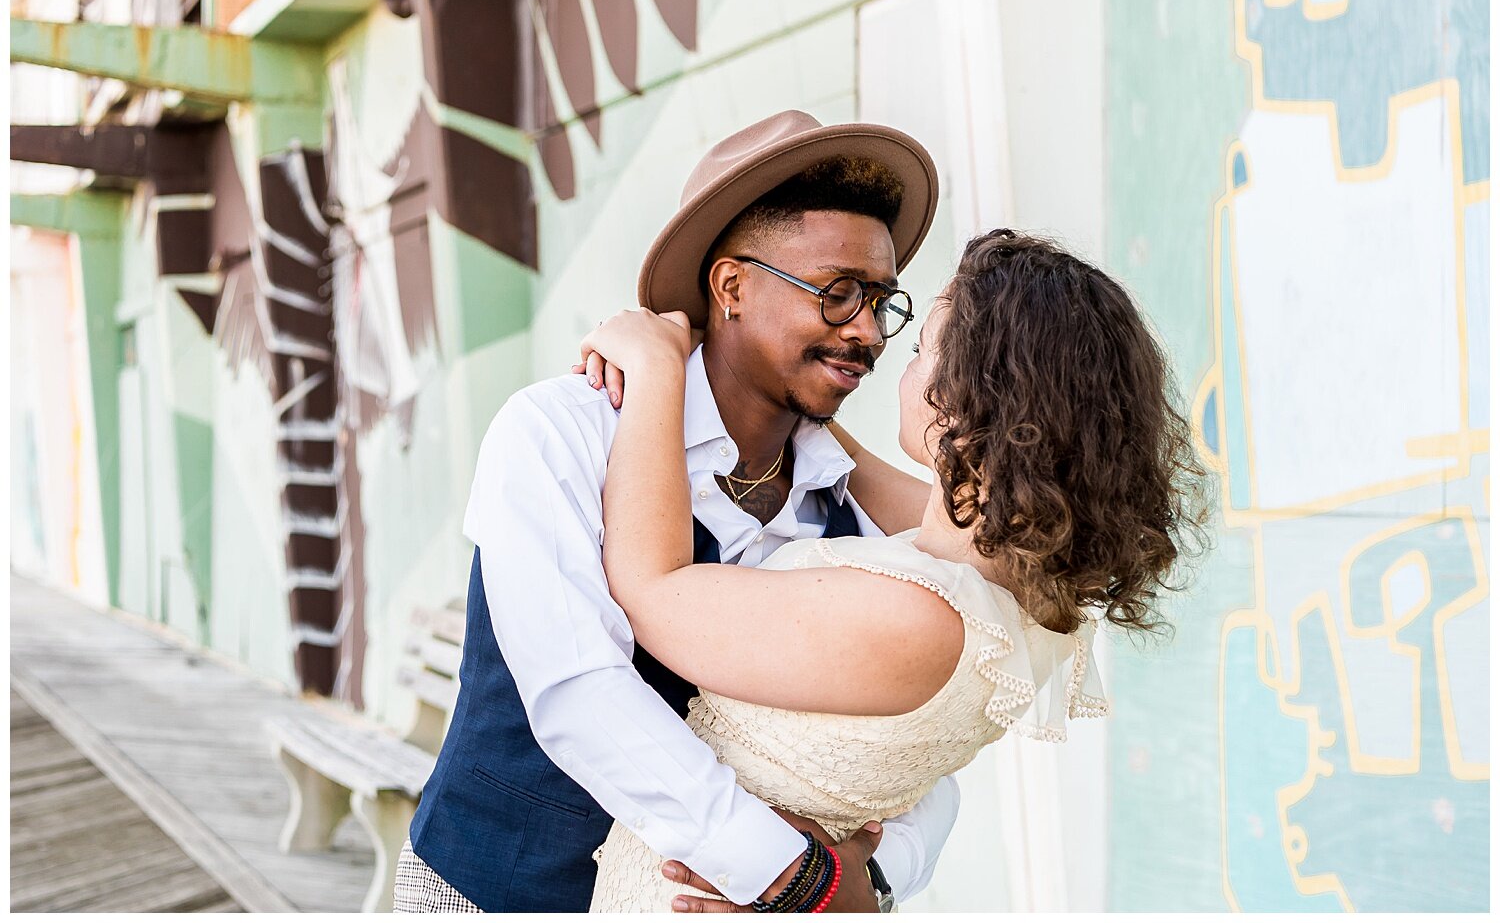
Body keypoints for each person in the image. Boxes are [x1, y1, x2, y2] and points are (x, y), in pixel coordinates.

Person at [396, 110, 961, 913]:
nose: (866, 332)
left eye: (880, 301)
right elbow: (578, 692)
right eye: (837, 295)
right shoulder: (562, 430)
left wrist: (871, 878)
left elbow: (926, 740)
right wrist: (786, 875)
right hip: (495, 893)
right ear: (732, 286)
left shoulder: (857, 513)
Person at [578, 227, 1207, 912]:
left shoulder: (919, 618)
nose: (881, 348)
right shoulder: (1020, 575)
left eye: (919, 350)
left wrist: (658, 372)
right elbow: (867, 472)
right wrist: (766, 370)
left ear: (969, 399)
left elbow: (653, 590)